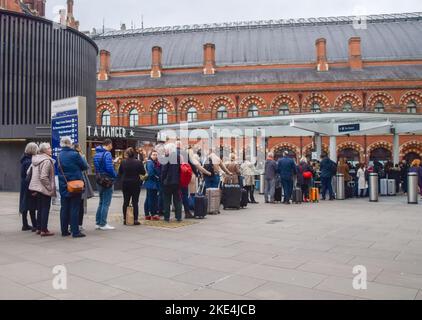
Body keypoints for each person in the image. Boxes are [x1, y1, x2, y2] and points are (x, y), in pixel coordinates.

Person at [57, 137, 89, 238]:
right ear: (70, 144)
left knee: (64, 208)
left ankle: (64, 231)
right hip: (75, 184)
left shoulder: (59, 155)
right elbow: (85, 166)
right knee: (75, 208)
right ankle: (75, 231)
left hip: (64, 184)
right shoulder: (75, 154)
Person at [28, 143, 56, 237]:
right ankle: (44, 229)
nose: (51, 149)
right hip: (43, 188)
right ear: (44, 150)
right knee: (45, 209)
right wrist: (49, 188)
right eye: (49, 148)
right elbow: (44, 177)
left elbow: (29, 172)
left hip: (37, 187)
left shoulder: (36, 159)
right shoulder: (47, 161)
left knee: (40, 208)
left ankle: (39, 228)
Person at [94, 139, 118, 231]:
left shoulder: (96, 154)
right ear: (109, 144)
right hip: (107, 180)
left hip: (99, 180)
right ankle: (103, 223)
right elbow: (109, 168)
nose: (112, 147)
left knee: (101, 202)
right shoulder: (107, 154)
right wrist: (115, 175)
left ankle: (98, 222)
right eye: (111, 145)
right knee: (106, 203)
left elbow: (98, 167)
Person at [118, 147, 146, 225]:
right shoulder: (138, 162)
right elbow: (143, 173)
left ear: (127, 154)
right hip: (135, 184)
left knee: (125, 201)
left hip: (125, 184)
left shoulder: (123, 162)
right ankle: (135, 219)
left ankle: (125, 219)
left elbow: (120, 173)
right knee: (135, 202)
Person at [73, 143, 94, 232]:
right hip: (80, 181)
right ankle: (79, 225)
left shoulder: (66, 156)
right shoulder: (80, 156)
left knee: (72, 205)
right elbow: (86, 167)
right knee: (80, 204)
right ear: (77, 148)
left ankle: (72, 224)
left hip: (70, 182)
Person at [19, 142, 39, 232]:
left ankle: (25, 224)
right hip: (29, 185)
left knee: (25, 204)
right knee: (32, 205)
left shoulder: (24, 159)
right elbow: (30, 175)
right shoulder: (29, 161)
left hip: (24, 184)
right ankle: (34, 225)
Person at [161, 143, 182, 222]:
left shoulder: (167, 157)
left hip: (167, 182)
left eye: (166, 149)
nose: (165, 151)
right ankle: (178, 216)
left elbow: (164, 170)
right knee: (177, 200)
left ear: (169, 150)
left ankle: (166, 217)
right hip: (177, 182)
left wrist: (162, 180)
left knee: (167, 200)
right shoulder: (178, 157)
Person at [144, 151, 161, 221]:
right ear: (150, 155)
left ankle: (147, 214)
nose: (155, 156)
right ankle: (152, 214)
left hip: (150, 183)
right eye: (153, 155)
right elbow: (151, 173)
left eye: (156, 155)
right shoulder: (150, 162)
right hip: (152, 183)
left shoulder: (152, 162)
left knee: (148, 198)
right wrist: (157, 177)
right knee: (151, 199)